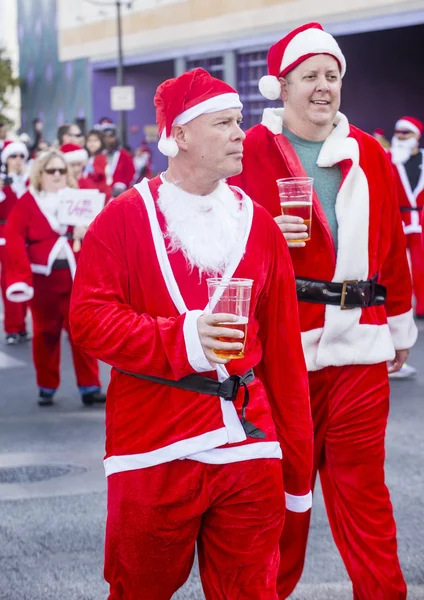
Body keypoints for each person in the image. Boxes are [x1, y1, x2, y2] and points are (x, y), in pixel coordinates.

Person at [70, 68, 314, 599]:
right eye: (224, 123)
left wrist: (298, 467)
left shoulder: (262, 226)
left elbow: (287, 359)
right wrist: (182, 339)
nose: (239, 134)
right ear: (179, 135)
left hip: (249, 442)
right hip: (153, 447)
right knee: (140, 590)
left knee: (251, 591)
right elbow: (88, 318)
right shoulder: (122, 219)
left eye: (240, 121)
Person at [230, 22, 417, 600]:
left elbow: (392, 248)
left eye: (331, 76)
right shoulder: (247, 152)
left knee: (364, 492)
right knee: (282, 498)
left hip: (359, 342)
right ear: (280, 87)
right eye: (309, 76)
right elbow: (212, 251)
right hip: (282, 348)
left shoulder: (369, 151)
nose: (322, 87)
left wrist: (399, 322)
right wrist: (264, 234)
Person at [4, 149, 106, 407]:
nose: (58, 175)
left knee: (81, 333)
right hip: (43, 279)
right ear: (41, 174)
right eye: (52, 171)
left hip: (75, 277)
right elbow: (14, 237)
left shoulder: (79, 199)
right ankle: (46, 386)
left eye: (62, 170)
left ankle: (90, 386)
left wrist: (87, 229)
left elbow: (101, 232)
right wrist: (21, 275)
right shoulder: (28, 201)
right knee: (45, 333)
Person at [390, 116, 424, 319]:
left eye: (405, 132)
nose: (400, 136)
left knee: (421, 267)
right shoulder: (388, 158)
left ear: (416, 136)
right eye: (398, 132)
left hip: (420, 221)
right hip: (397, 220)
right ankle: (396, 308)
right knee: (395, 267)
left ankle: (422, 307)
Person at [97, 119, 135, 196]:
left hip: (120, 194)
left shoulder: (124, 154)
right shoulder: (99, 155)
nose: (109, 140)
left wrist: (122, 184)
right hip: (102, 194)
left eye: (111, 136)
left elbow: (131, 172)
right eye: (106, 137)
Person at [84, 129, 112, 200]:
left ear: (101, 142)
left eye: (95, 140)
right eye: (89, 141)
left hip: (100, 193)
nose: (92, 143)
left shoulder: (101, 157)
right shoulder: (90, 158)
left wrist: (87, 166)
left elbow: (99, 174)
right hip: (92, 193)